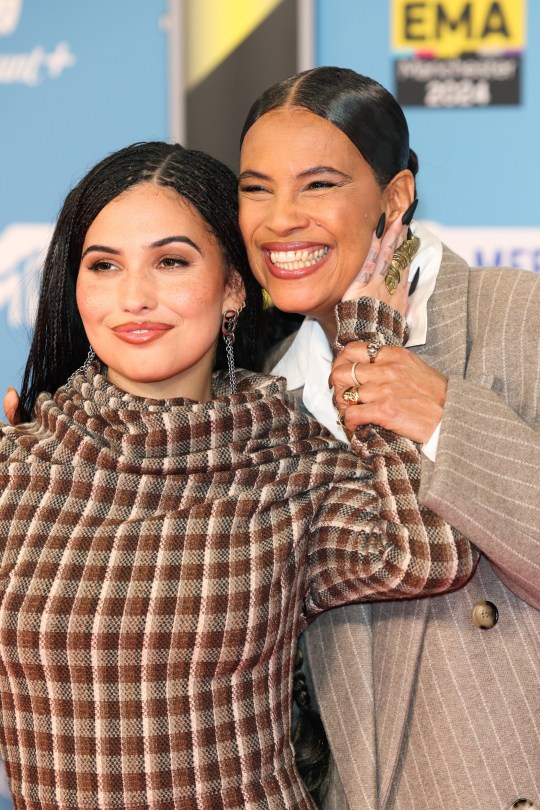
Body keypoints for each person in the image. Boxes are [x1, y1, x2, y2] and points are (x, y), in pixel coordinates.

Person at [0, 140, 474, 810]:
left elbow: (428, 555)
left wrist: (371, 347)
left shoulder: (290, 464)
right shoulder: (21, 467)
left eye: (170, 262)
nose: (133, 297)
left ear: (232, 290)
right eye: (103, 265)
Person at [238, 66, 540, 809]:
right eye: (255, 188)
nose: (279, 219)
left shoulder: (520, 317)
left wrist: (444, 415)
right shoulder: (268, 399)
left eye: (317, 185)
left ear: (395, 195)